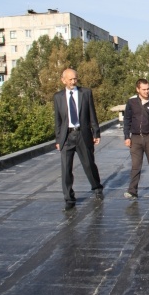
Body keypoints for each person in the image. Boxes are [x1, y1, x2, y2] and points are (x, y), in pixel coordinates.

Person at [53, 68, 104, 211]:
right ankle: (69, 199)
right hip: (66, 137)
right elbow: (57, 120)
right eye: (70, 79)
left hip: (83, 134)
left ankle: (97, 187)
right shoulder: (58, 97)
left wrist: (96, 133)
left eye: (75, 78)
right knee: (66, 169)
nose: (73, 81)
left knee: (89, 164)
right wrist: (58, 140)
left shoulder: (85, 93)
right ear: (63, 80)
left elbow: (92, 114)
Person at [123, 78, 149, 200]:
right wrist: (127, 137)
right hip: (136, 138)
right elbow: (127, 120)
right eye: (144, 89)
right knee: (135, 166)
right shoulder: (131, 102)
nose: (146, 91)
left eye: (148, 89)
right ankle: (132, 191)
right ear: (138, 89)